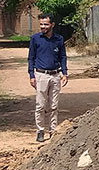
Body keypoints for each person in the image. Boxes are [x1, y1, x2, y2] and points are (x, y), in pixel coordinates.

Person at [27, 13, 68, 143]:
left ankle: (52, 131)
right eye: (41, 24)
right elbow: (31, 58)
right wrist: (31, 75)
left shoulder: (59, 39)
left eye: (46, 24)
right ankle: (40, 131)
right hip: (41, 75)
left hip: (55, 75)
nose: (43, 27)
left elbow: (63, 57)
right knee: (40, 105)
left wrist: (65, 73)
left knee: (54, 106)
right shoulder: (35, 39)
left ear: (52, 25)